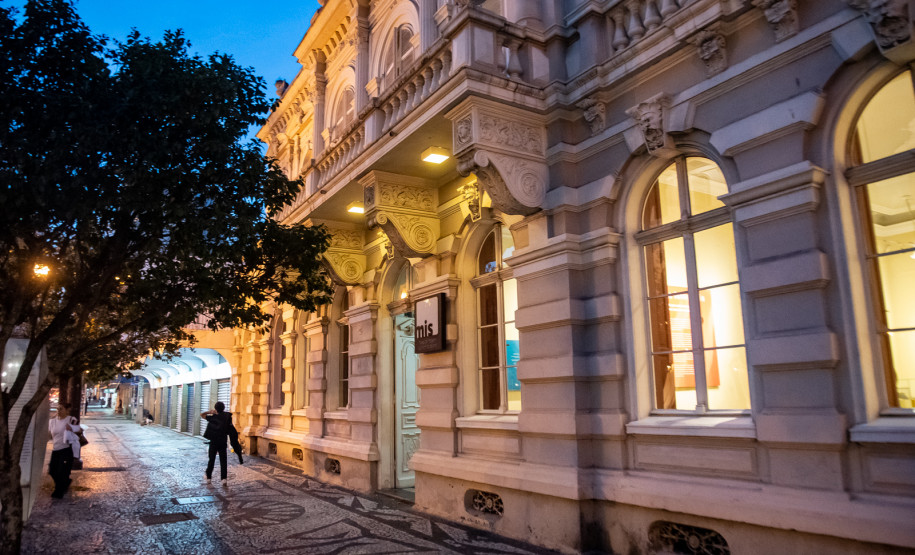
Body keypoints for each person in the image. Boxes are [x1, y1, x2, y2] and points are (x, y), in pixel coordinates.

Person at [202, 402, 236, 486]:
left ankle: (209, 477)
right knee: (223, 460)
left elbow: (202, 415)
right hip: (222, 441)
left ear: (215, 408)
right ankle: (224, 479)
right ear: (223, 408)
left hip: (214, 441)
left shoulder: (213, 417)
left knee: (212, 459)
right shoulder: (227, 417)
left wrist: (210, 412)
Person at [47, 403, 77, 498]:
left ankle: (59, 491)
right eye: (57, 409)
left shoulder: (71, 419)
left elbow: (79, 430)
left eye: (61, 409)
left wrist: (72, 428)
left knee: (61, 471)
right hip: (55, 449)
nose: (59, 411)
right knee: (52, 470)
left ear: (67, 410)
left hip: (66, 449)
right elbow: (50, 435)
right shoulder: (52, 421)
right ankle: (64, 484)